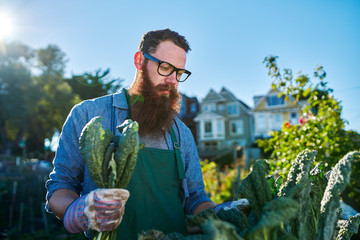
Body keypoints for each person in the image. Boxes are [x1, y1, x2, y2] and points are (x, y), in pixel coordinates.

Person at [45, 28, 248, 239]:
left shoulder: (182, 134)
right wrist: (80, 211)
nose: (172, 80)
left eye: (179, 72)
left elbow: (195, 198)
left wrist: (220, 213)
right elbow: (60, 188)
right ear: (139, 60)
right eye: (165, 67)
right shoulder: (88, 115)